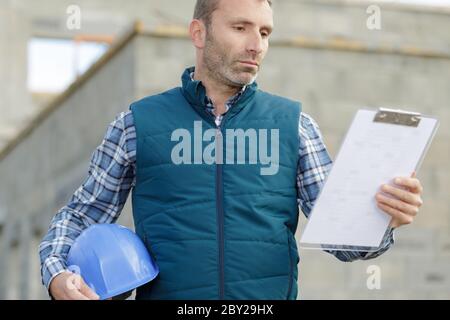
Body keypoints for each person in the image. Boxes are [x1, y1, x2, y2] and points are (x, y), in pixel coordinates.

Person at [39, 0, 424, 300]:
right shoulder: (137, 124)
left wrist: (383, 219)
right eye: (240, 28)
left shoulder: (295, 125)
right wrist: (57, 275)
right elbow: (79, 218)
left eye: (265, 31)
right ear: (199, 32)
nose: (256, 45)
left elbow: (345, 242)